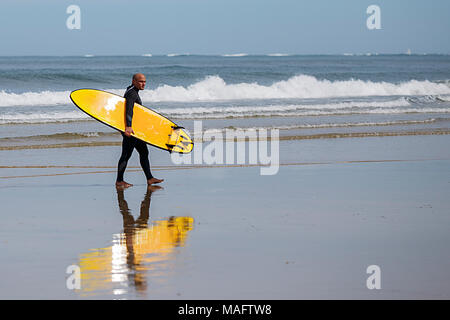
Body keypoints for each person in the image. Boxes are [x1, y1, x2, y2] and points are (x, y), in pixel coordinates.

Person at [116, 73, 164, 188]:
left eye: (145, 81)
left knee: (144, 152)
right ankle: (119, 181)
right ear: (134, 81)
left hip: (136, 130)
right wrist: (127, 126)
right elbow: (128, 110)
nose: (143, 84)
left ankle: (150, 178)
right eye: (141, 81)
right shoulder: (132, 93)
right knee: (126, 155)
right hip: (131, 130)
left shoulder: (131, 90)